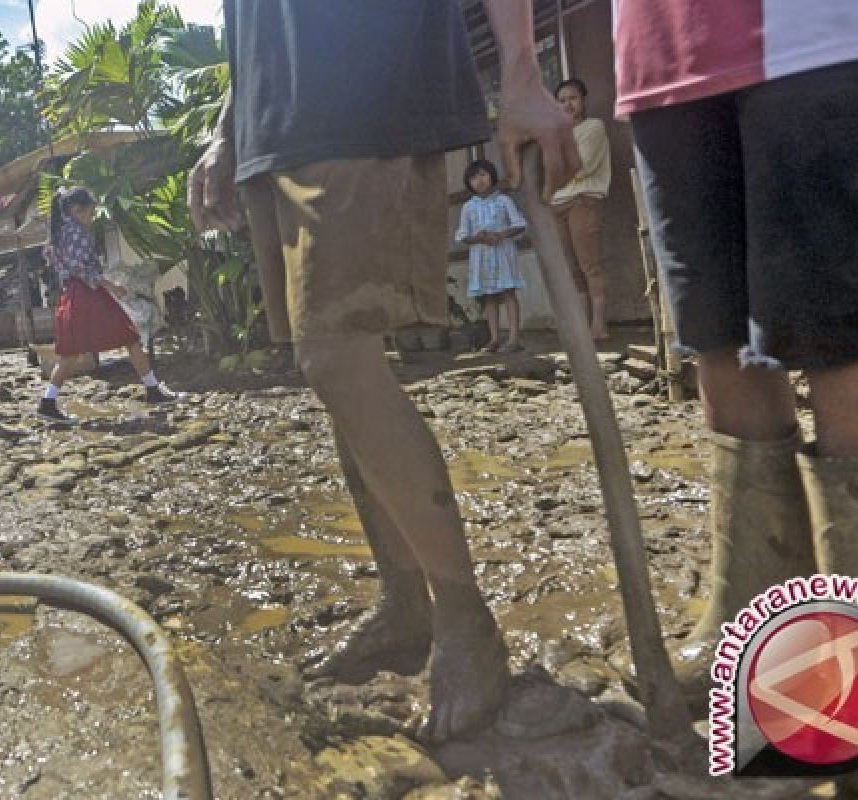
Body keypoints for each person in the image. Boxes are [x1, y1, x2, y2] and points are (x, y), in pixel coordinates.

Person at [191, 0, 579, 742]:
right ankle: (406, 601)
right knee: (333, 364)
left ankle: (464, 619)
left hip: (363, 97)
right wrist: (225, 127)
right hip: (276, 126)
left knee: (334, 352)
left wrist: (523, 70)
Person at [615, 1, 858, 790]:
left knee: (836, 331)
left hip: (816, 30)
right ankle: (756, 626)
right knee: (717, 340)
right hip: (660, 57)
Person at [36, 186, 179, 422]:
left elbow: (59, 261)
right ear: (75, 210)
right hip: (88, 293)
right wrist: (109, 285)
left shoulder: (60, 232)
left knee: (72, 352)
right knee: (128, 337)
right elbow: (79, 267)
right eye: (90, 214)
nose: (92, 219)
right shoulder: (76, 232)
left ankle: (48, 402)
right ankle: (153, 389)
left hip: (74, 293)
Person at [551, 78, 611, 341]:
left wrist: (557, 169)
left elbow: (582, 167)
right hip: (557, 203)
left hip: (582, 200)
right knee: (570, 268)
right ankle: (581, 327)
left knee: (590, 265)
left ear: (583, 100)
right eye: (562, 101)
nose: (568, 104)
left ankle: (599, 325)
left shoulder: (592, 127)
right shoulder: (555, 135)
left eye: (572, 98)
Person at [456, 160, 527, 353]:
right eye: (473, 178)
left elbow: (519, 224)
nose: (479, 181)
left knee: (508, 292)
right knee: (489, 297)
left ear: (492, 176)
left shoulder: (504, 200)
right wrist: (477, 238)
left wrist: (501, 235)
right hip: (481, 255)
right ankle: (494, 338)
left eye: (483, 175)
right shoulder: (468, 207)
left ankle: (514, 338)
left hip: (503, 252)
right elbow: (462, 235)